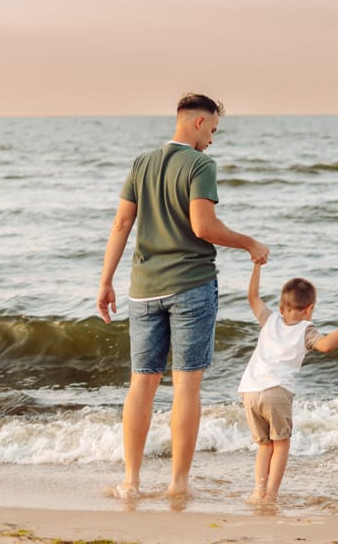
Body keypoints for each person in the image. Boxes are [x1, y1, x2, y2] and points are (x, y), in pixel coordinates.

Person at [96, 92, 270, 499]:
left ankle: (131, 482)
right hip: (190, 286)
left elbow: (121, 224)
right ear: (197, 122)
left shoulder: (142, 162)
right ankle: (177, 485)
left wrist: (105, 281)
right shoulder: (200, 164)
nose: (212, 138)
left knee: (141, 383)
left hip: (142, 290)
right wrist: (249, 243)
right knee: (187, 388)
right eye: (212, 128)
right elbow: (203, 226)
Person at [239, 269, 338, 504]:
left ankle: (258, 491)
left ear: (282, 307)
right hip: (277, 391)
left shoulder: (269, 319)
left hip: (250, 390)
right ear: (310, 309)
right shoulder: (306, 329)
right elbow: (325, 345)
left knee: (264, 446)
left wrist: (256, 267)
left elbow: (253, 297)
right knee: (281, 443)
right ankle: (271, 494)